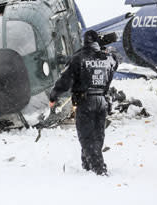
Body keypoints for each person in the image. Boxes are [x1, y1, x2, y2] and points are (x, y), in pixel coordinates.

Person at [48, 30, 118, 175]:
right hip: (102, 101)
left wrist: (54, 96)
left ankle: (99, 169)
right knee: (97, 136)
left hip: (85, 101)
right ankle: (87, 165)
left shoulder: (79, 58)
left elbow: (65, 80)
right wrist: (101, 48)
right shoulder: (108, 59)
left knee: (86, 137)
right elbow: (114, 62)